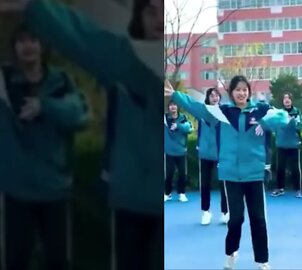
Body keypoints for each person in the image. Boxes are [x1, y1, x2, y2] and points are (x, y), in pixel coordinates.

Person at [23, 0, 164, 269]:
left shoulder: (131, 62)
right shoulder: (124, 62)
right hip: (130, 199)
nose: (158, 18)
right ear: (139, 17)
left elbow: (82, 39)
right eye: (150, 10)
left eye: (164, 11)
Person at [165, 76, 291, 270]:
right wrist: (176, 95)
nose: (242, 93)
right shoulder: (222, 113)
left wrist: (265, 122)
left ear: (248, 91)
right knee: (236, 219)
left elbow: (284, 116)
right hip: (231, 175)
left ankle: (262, 260)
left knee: (258, 219)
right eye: (238, 90)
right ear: (231, 93)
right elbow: (197, 108)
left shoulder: (260, 110)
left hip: (255, 174)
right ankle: (231, 254)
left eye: (245, 89)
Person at [0, 25, 88, 270]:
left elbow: (80, 115)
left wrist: (45, 106)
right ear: (14, 48)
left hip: (54, 188)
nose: (27, 46)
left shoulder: (60, 81)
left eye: (33, 40)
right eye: (21, 41)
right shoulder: (4, 83)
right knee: (15, 260)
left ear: (43, 46)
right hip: (16, 191)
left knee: (58, 261)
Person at [197, 87, 229, 225]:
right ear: (208, 98)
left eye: (217, 95)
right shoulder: (203, 113)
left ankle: (225, 212)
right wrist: (199, 145)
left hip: (220, 154)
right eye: (211, 96)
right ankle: (205, 211)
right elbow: (199, 131)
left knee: (224, 184)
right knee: (205, 184)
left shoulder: (224, 113)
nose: (214, 98)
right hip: (205, 154)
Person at [271, 92, 302, 198]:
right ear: (282, 101)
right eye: (285, 98)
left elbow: (300, 127)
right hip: (281, 144)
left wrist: (292, 120)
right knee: (280, 168)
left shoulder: (297, 112)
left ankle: (298, 190)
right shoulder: (279, 113)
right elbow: (275, 126)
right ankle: (279, 189)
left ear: (291, 100)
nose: (286, 100)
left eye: (288, 98)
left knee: (295, 168)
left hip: (294, 145)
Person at [164, 101, 192, 202]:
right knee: (169, 173)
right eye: (171, 105)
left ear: (178, 107)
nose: (173, 107)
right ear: (168, 107)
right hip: (169, 151)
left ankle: (182, 193)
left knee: (182, 173)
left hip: (181, 151)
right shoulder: (165, 118)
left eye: (175, 105)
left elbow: (189, 129)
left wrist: (178, 126)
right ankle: (167, 193)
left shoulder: (183, 118)